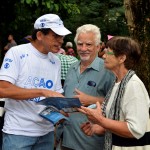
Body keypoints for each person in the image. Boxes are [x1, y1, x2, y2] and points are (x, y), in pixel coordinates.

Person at [0, 13, 71, 150]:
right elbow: (3, 89)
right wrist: (42, 91)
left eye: (62, 36)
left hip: (47, 133)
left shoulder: (55, 60)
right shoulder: (17, 53)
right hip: (18, 132)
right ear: (39, 35)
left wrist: (62, 110)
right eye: (56, 36)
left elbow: (54, 94)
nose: (61, 40)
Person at [79, 36, 150, 150]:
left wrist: (100, 120)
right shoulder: (117, 83)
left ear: (121, 58)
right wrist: (98, 127)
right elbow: (118, 122)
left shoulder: (133, 85)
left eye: (109, 52)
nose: (103, 55)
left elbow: (135, 130)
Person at [56, 24, 114, 150]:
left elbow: (117, 104)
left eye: (88, 44)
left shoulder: (108, 70)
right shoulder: (72, 68)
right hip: (65, 140)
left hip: (91, 143)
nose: (83, 48)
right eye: (80, 44)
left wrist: (91, 100)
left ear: (98, 47)